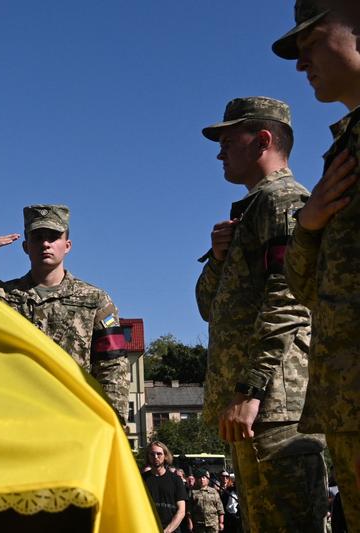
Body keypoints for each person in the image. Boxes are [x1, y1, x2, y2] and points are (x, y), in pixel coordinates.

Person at [195, 96, 329, 532]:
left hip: (274, 407)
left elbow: (289, 298)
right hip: (253, 410)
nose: (219, 151)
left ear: (263, 140)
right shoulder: (252, 211)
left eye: (229, 140)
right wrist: (217, 259)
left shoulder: (285, 201)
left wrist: (249, 390)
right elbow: (205, 307)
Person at [273, 1, 360, 528]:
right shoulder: (343, 151)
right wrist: (308, 225)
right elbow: (305, 286)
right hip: (346, 403)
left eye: (313, 39)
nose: (302, 61)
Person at [0, 205, 129, 422]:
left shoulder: (94, 300)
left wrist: (116, 424)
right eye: (37, 237)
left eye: (54, 237)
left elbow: (112, 365)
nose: (46, 243)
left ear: (67, 246)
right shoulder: (0, 296)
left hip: (72, 420)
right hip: (13, 420)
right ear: (26, 246)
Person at [143, 441, 187, 533]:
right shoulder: (141, 480)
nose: (155, 457)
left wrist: (167, 531)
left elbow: (181, 511)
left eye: (159, 454)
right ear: (148, 456)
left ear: (165, 456)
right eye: (152, 454)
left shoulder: (176, 480)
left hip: (171, 530)